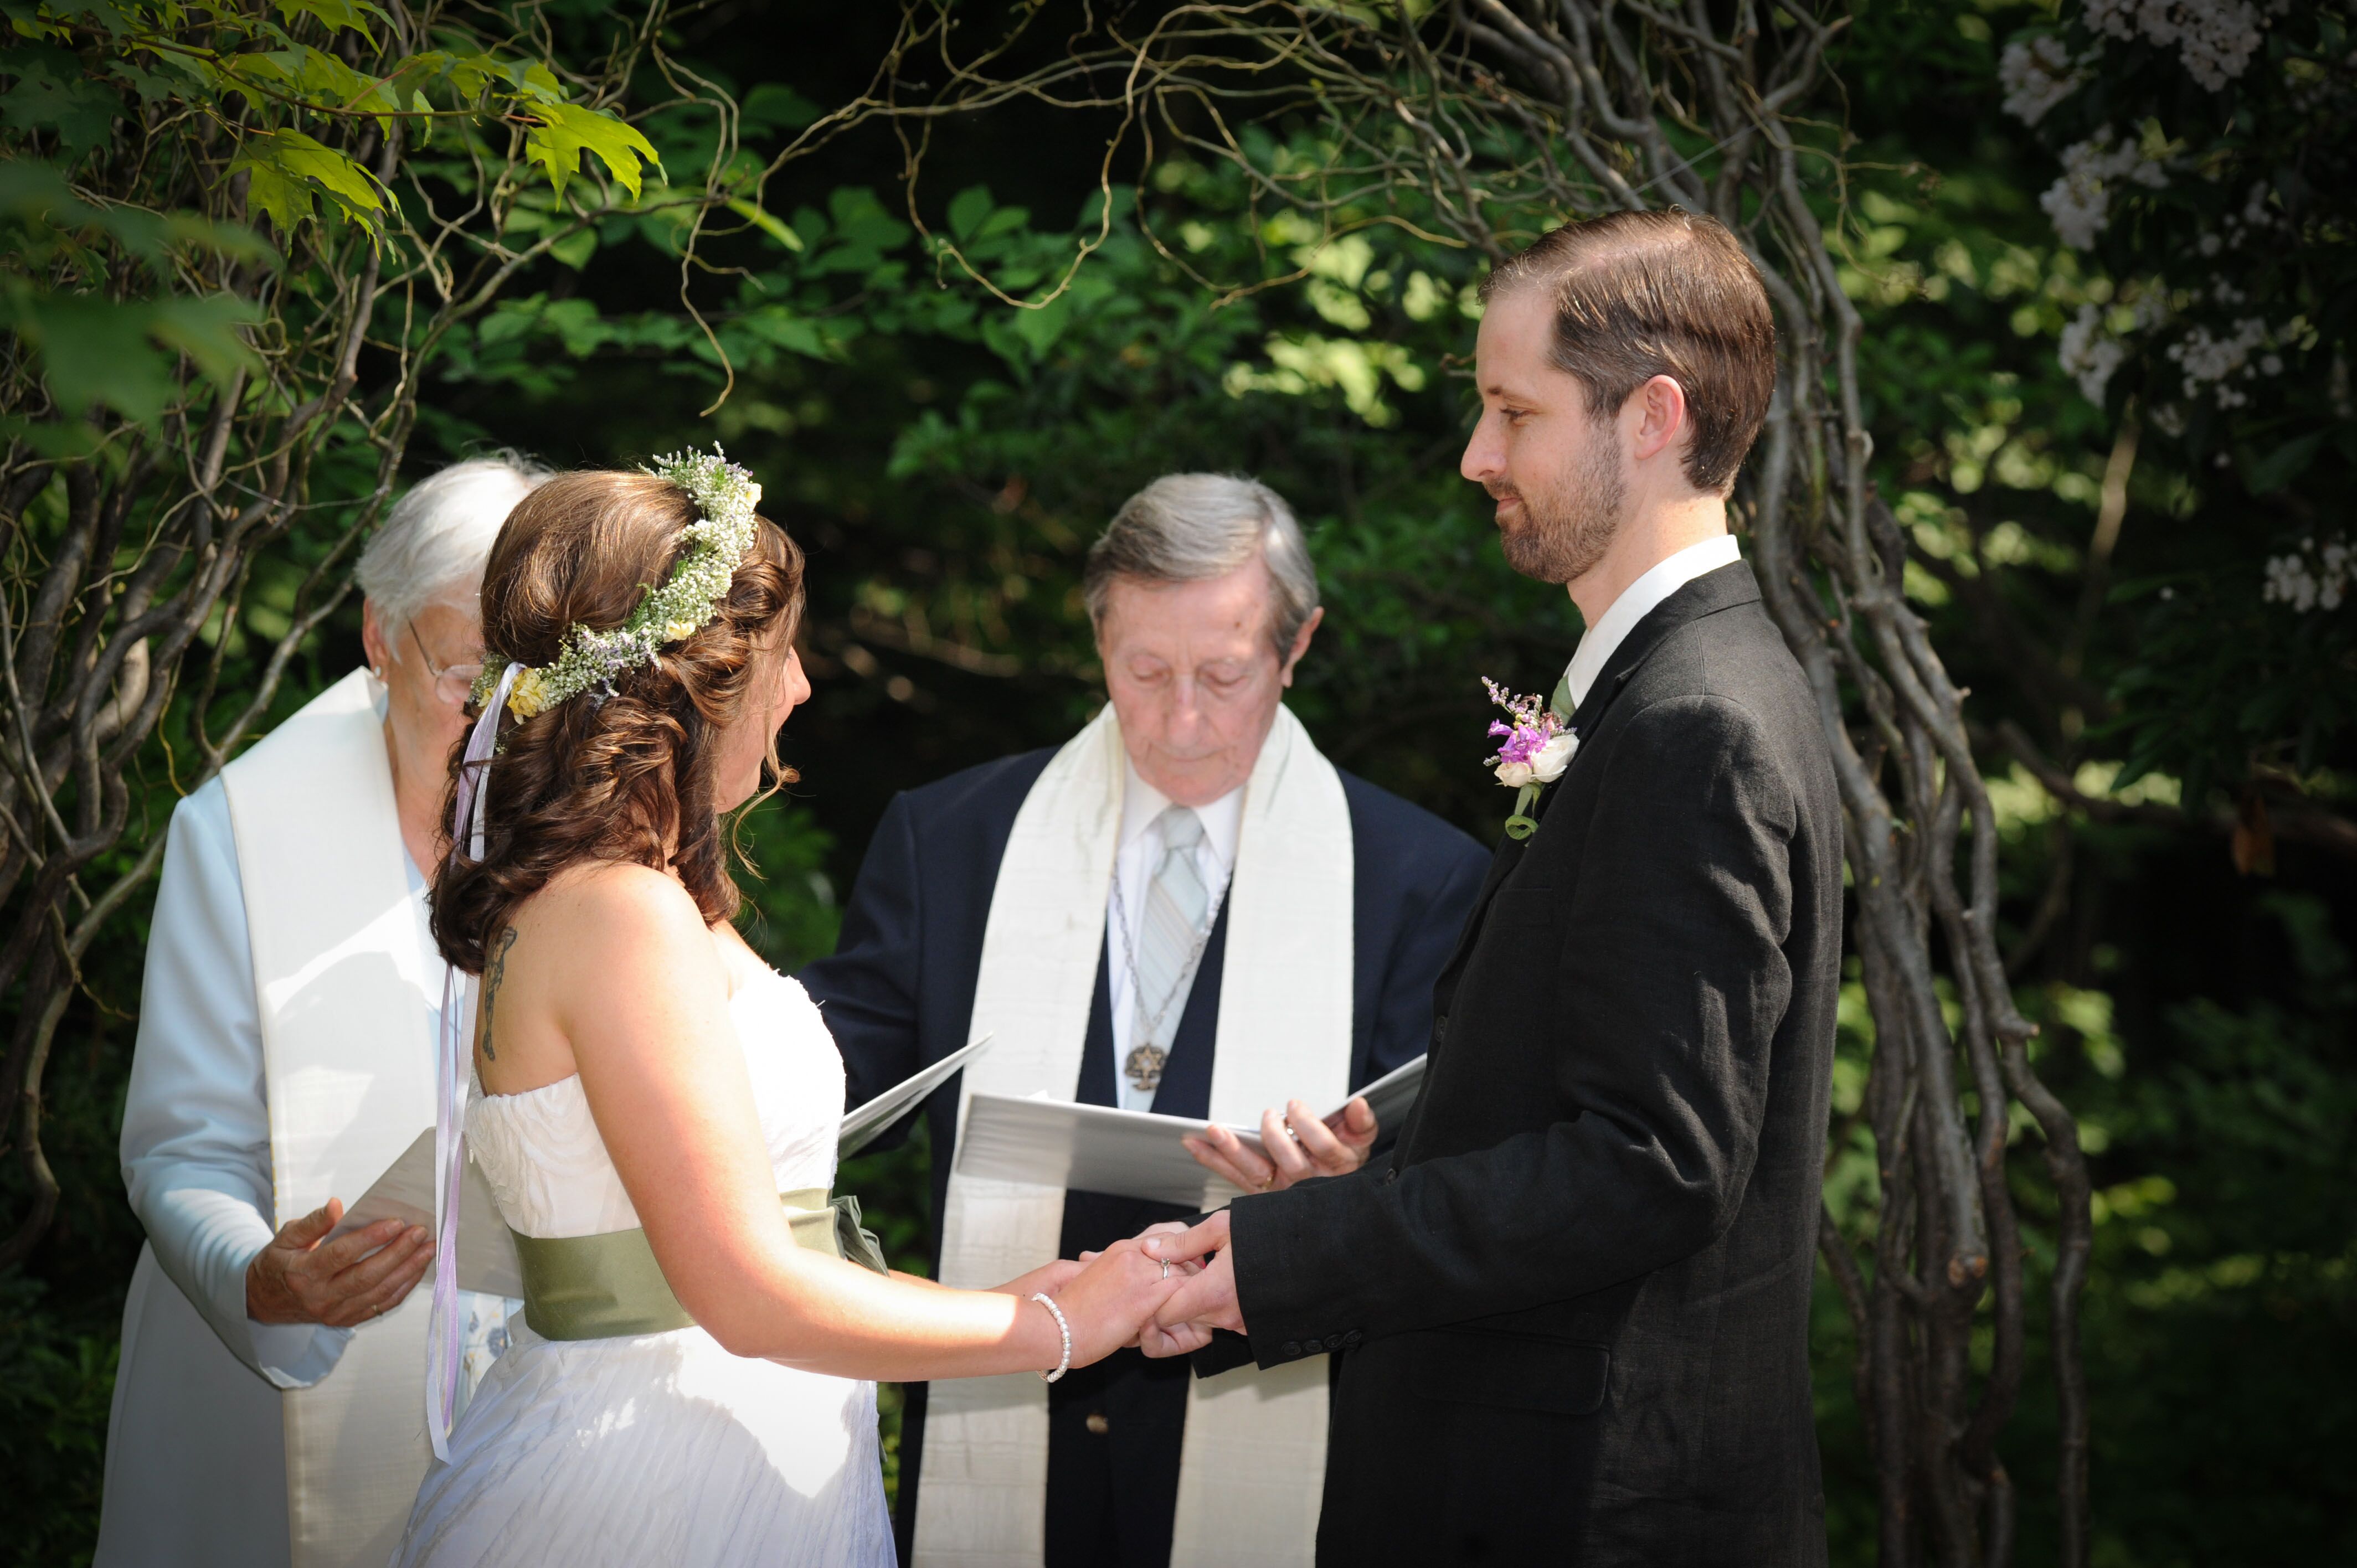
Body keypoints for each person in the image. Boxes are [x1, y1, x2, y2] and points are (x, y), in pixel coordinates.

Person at [1144, 208, 1845, 1566]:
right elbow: (1596, 1088)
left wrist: (1296, 1259)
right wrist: (1395, 1159)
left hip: (1592, 1503)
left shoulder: (1696, 720)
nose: (1477, 458)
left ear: (1649, 417)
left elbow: (1655, 1161)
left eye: (1513, 412)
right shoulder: (1691, 686)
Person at [389, 455, 1183, 1567]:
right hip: (650, 1490)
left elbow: (755, 1239)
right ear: (694, 680)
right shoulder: (621, 917)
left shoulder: (620, 898)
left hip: (715, 1446)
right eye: (783, 652)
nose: (802, 688)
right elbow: (745, 1296)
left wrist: (1008, 1296)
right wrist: (1054, 1329)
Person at [801, 473, 1489, 1567]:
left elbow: (1452, 1172)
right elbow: (824, 1073)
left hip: (1274, 1404)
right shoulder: (953, 840)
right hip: (1015, 1396)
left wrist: (1348, 1192)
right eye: (1144, 671)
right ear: (1097, 639)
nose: (1180, 719)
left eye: (1222, 675)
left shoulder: (1419, 876)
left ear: (1296, 644)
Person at [98, 455, 548, 1568]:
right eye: (466, 679)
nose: (500, 725)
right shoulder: (244, 833)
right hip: (268, 1410)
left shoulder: (568, 819)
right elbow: (180, 1148)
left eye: (530, 683)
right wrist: (265, 1277)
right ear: (379, 638)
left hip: (526, 1396)